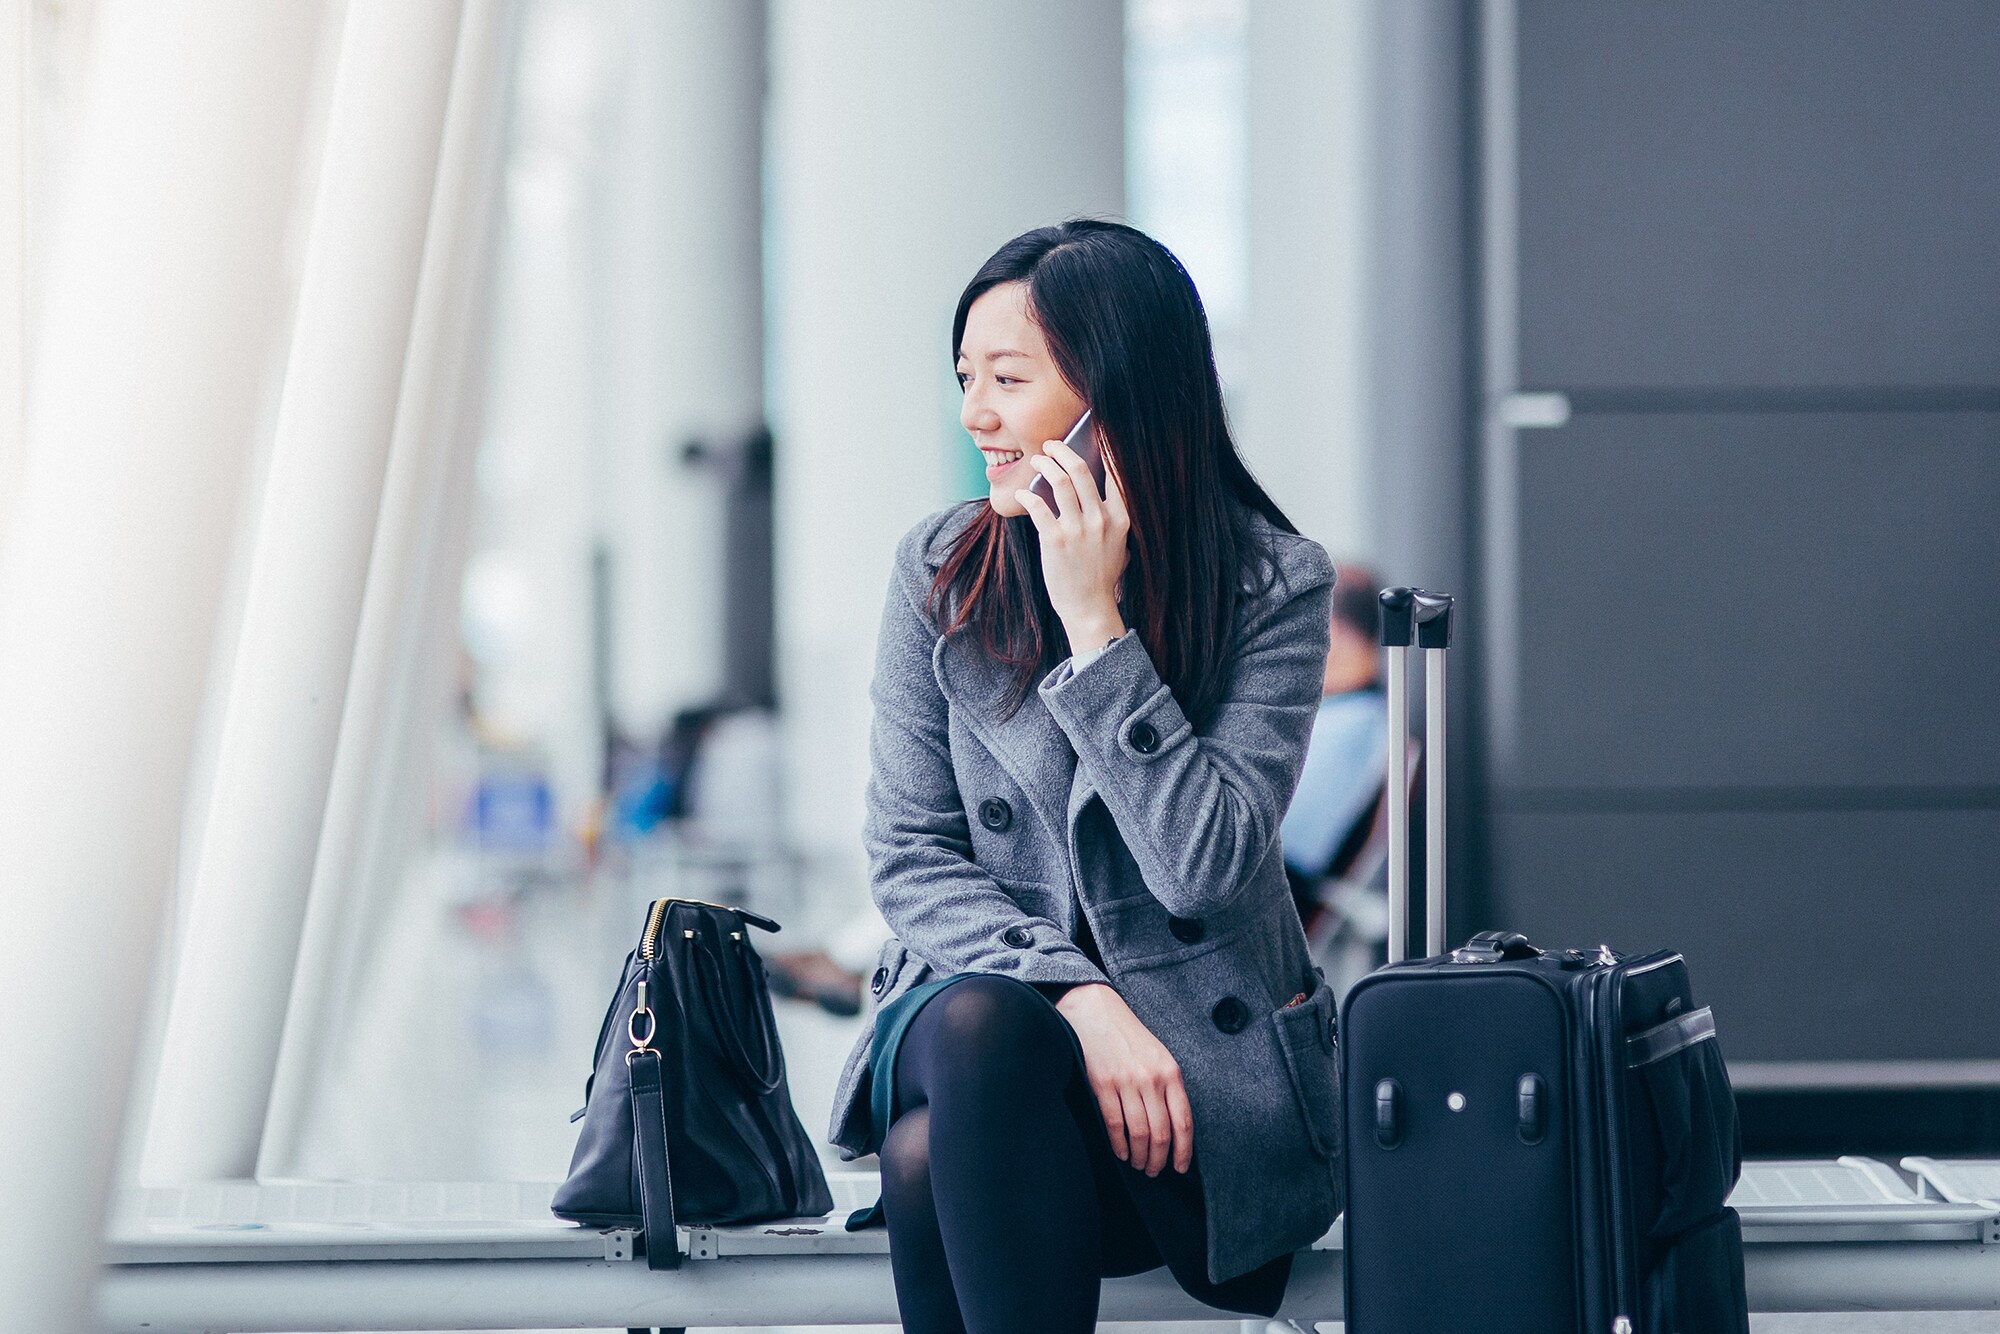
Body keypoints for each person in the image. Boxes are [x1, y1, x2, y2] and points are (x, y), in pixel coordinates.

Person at [825, 220, 1340, 1332]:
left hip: (1190, 1088)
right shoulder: (939, 566)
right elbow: (909, 852)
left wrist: (1096, 629)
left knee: (921, 1157)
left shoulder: (1272, 587)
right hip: (977, 1030)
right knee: (983, 1028)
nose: (974, 414)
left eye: (1006, 379)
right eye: (965, 377)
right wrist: (1075, 994)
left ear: (1115, 393)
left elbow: (1203, 866)